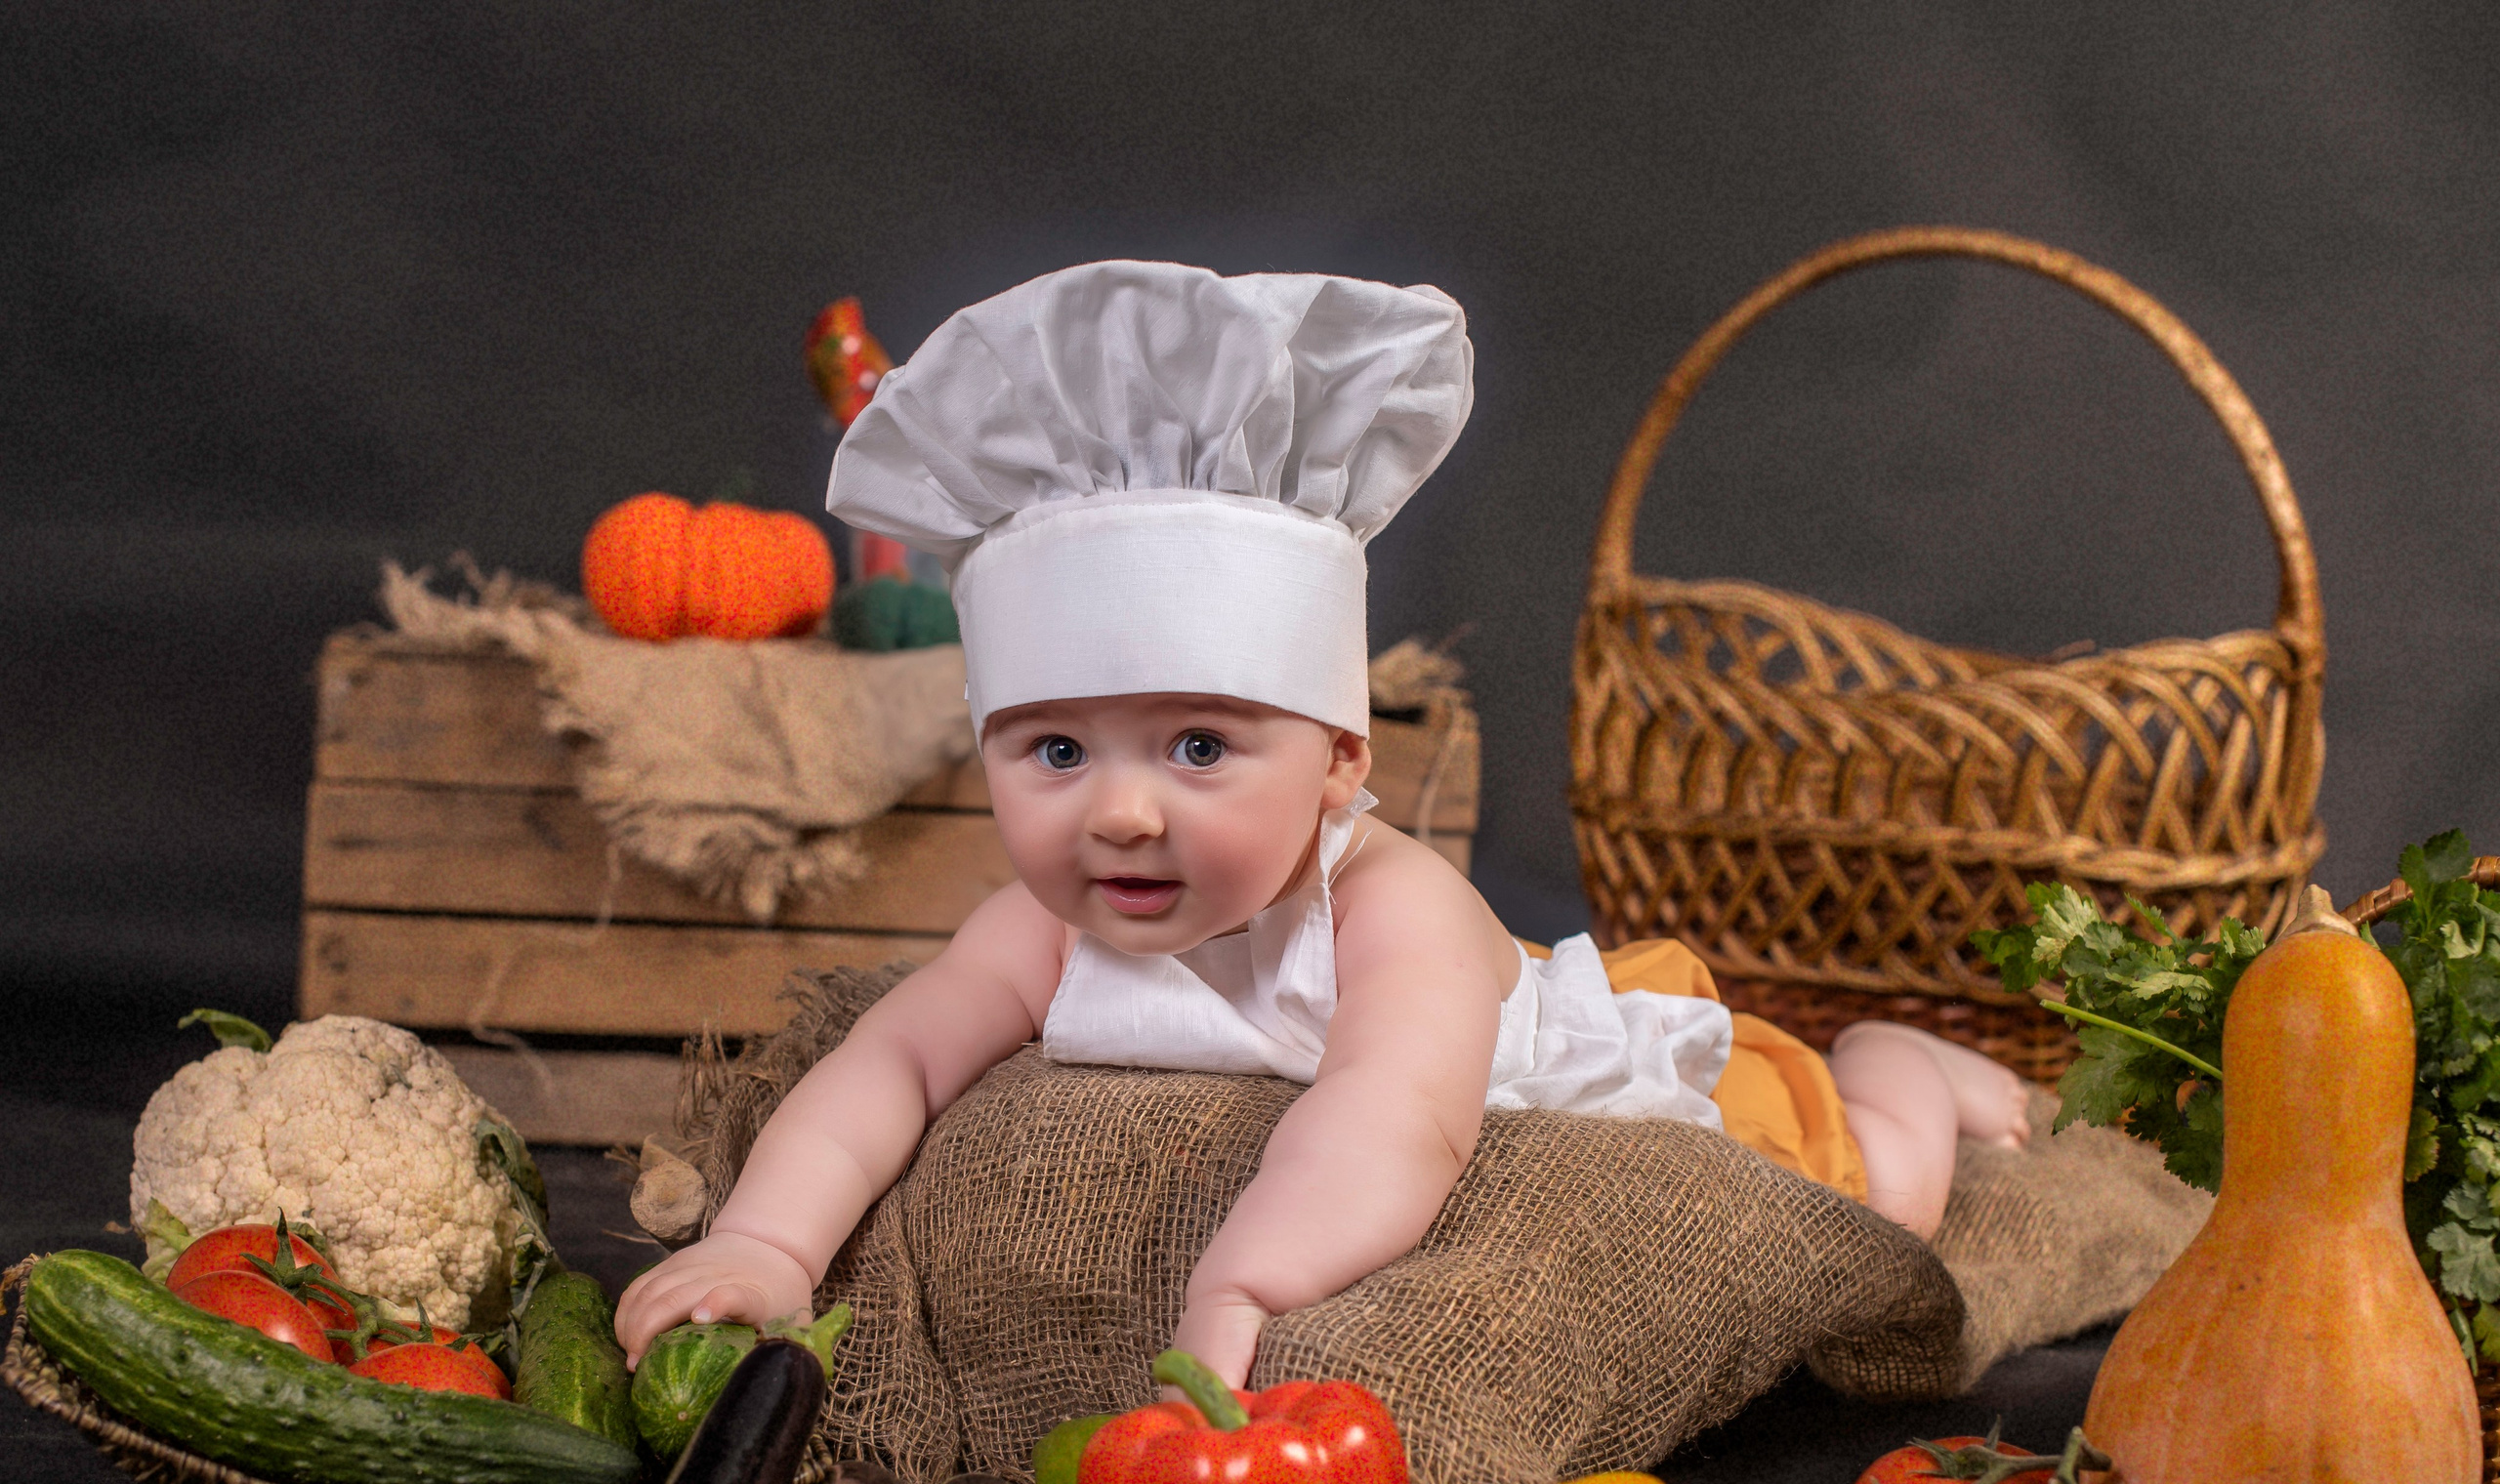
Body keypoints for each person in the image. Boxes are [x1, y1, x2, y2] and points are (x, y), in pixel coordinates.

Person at [614, 261, 2030, 1387]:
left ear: (1341, 762)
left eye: (1199, 747)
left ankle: (1901, 1064)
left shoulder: (1391, 908)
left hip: (1623, 1082)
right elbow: (894, 1063)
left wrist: (1249, 1280)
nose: (1121, 812)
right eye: (1055, 750)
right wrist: (769, 1243)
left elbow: (1392, 1111)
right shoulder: (1032, 932)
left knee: (1888, 1187)